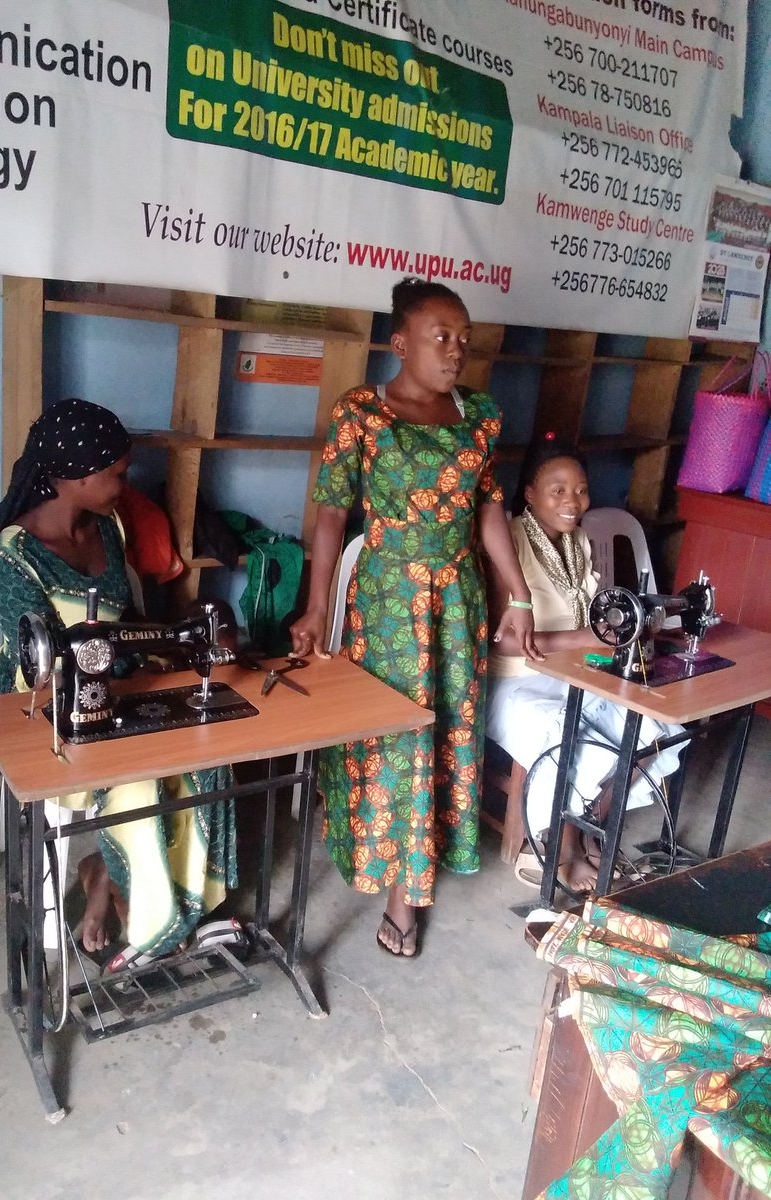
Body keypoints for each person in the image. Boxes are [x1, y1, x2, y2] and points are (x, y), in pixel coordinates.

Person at [290, 277, 536, 958]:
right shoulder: (361, 412)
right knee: (394, 737)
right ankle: (385, 857)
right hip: (388, 600)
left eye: (464, 338)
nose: (456, 350)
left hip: (457, 598)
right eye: (441, 336)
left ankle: (408, 888)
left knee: (447, 731)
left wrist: (516, 594)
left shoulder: (482, 415)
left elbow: (489, 508)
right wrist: (317, 606)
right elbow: (334, 510)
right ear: (400, 342)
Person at [0, 397, 237, 972]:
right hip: (43, 707)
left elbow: (118, 629)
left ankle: (170, 903)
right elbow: (45, 662)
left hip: (118, 683)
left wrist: (169, 651)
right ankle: (143, 922)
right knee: (137, 785)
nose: (126, 484)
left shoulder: (109, 527)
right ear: (67, 478)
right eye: (115, 474)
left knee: (209, 757)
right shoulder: (11, 558)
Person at [485, 436, 684, 894]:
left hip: (573, 671)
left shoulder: (579, 541)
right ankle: (558, 847)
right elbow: (506, 641)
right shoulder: (510, 541)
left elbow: (592, 616)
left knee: (655, 719)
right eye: (558, 490)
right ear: (530, 493)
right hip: (518, 681)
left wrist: (612, 636)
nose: (573, 501)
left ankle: (590, 820)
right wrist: (587, 637)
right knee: (567, 731)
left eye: (580, 489)